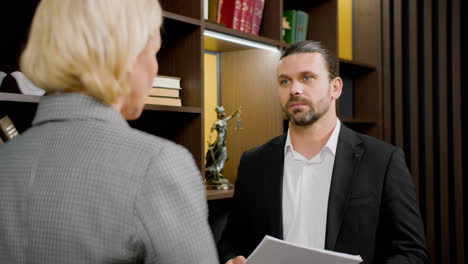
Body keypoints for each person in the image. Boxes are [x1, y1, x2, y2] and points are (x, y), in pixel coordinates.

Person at [0, 0, 219, 263]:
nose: (155, 68)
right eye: (154, 52)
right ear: (126, 55)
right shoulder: (158, 164)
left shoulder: (6, 160)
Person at [217, 40, 429, 264]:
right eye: (284, 81)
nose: (294, 89)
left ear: (335, 88)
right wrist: (231, 259)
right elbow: (231, 242)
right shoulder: (254, 162)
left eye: (307, 77)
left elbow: (413, 253)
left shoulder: (383, 160)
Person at [205, 106, 239, 186]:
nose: (224, 114)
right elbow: (211, 131)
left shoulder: (224, 120)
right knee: (219, 155)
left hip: (224, 140)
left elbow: (231, 116)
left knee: (224, 155)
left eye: (224, 112)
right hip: (220, 140)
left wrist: (236, 112)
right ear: (219, 113)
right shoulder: (217, 122)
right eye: (222, 112)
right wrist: (210, 141)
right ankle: (213, 172)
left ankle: (218, 172)